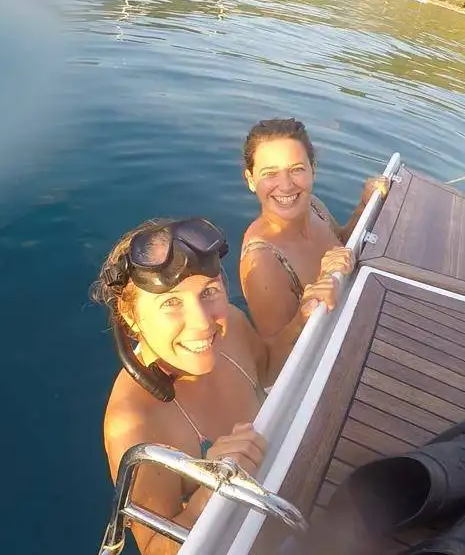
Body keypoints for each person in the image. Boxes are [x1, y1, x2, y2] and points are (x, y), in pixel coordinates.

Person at [91, 217, 352, 555]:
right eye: (171, 302)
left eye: (209, 292)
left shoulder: (231, 328)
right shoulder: (136, 422)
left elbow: (268, 370)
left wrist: (305, 316)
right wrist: (211, 485)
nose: (202, 323)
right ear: (129, 317)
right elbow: (157, 548)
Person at [239, 118, 389, 341]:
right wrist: (320, 288)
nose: (287, 185)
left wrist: (364, 206)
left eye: (297, 169)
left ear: (313, 170)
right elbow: (275, 362)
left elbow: (342, 242)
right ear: (251, 180)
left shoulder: (313, 205)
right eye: (270, 174)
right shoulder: (262, 262)